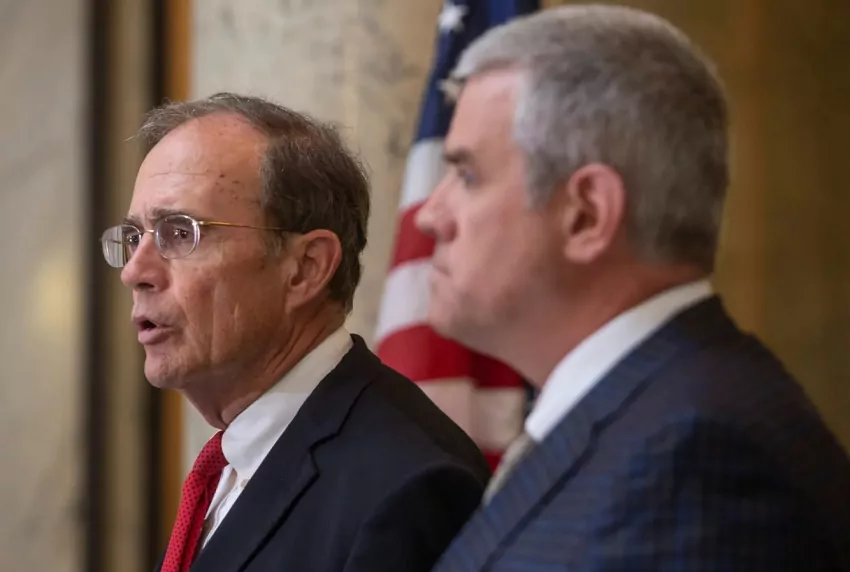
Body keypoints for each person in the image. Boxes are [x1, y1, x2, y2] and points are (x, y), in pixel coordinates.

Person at [415, 5, 850, 571]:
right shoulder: (650, 412)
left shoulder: (693, 462)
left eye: (468, 175)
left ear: (587, 215)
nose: (430, 214)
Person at [101, 92, 491, 572]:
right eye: (134, 236)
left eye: (180, 233)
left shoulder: (408, 487)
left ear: (306, 268)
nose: (134, 271)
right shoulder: (231, 465)